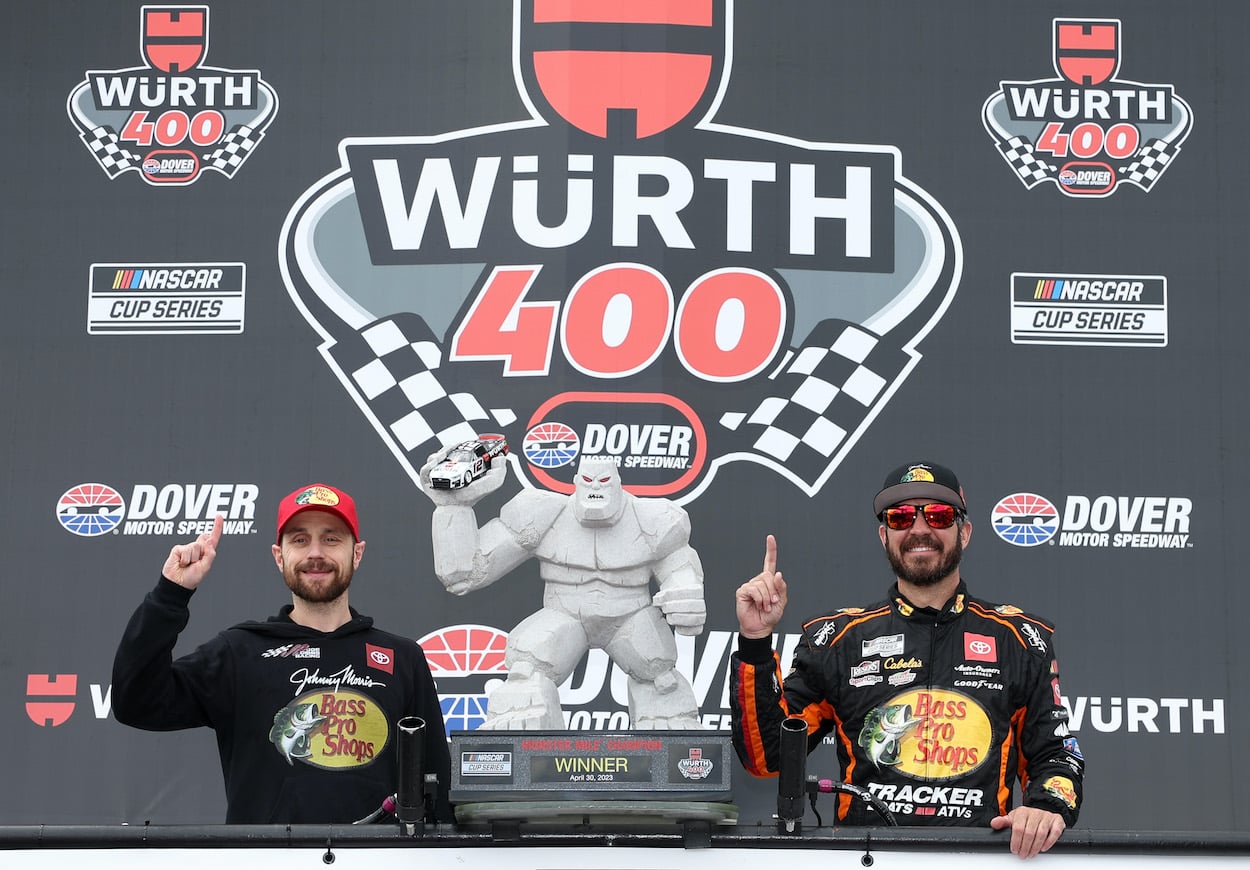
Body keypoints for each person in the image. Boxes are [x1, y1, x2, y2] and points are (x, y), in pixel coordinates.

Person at [731, 461, 1083, 859]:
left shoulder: (1018, 640)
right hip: (866, 859)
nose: (918, 529)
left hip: (980, 859)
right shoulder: (839, 641)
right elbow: (767, 757)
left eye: (937, 515)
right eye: (900, 518)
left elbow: (1056, 755)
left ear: (963, 533)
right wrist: (756, 642)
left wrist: (1047, 807)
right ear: (884, 536)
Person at [112, 483, 453, 825]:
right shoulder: (241, 651)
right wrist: (171, 593)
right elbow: (136, 702)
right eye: (300, 540)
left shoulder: (402, 657)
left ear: (357, 553)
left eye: (331, 538)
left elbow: (437, 785)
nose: (315, 553)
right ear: (279, 556)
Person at [419, 451, 706, 730]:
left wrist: (684, 594)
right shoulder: (543, 514)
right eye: (588, 481)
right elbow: (466, 573)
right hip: (565, 613)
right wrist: (452, 507)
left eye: (604, 482)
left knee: (658, 675)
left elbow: (679, 566)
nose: (595, 488)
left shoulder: (652, 519)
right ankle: (522, 751)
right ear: (576, 481)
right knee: (527, 673)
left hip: (630, 615)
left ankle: (673, 744)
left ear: (618, 484)